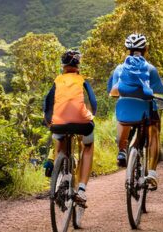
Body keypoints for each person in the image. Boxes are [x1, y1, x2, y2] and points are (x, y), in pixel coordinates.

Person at [107, 33, 163, 188]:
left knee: (123, 117)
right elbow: (161, 89)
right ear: (145, 49)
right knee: (154, 133)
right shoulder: (150, 68)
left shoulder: (119, 69)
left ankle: (122, 150)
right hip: (145, 110)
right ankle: (152, 172)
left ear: (128, 50)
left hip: (125, 110)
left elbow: (112, 91)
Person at [43, 50, 97, 207]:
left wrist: (49, 123)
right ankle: (81, 189)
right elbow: (93, 104)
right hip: (82, 123)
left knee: (60, 134)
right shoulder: (82, 80)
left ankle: (60, 169)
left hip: (58, 124)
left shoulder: (57, 81)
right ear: (77, 66)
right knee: (88, 146)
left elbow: (47, 104)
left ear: (63, 66)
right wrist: (90, 116)